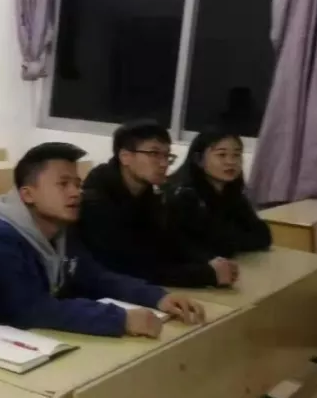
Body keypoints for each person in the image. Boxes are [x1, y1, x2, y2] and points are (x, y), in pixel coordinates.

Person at [0, 143, 205, 339]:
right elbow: (31, 309)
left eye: (77, 183)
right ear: (28, 194)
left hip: (27, 344)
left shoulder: (61, 232)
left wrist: (157, 297)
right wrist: (120, 319)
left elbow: (96, 277)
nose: (76, 193)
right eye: (63, 184)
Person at [79, 120, 236, 289]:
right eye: (154, 154)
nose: (164, 164)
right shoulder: (96, 200)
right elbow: (129, 267)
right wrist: (206, 275)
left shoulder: (147, 192)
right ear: (125, 156)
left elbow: (168, 241)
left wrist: (210, 261)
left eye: (167, 156)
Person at [165, 127, 271, 258]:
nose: (231, 162)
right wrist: (235, 238)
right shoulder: (184, 195)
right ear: (198, 159)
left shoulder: (232, 193)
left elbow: (263, 236)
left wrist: (228, 240)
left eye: (236, 155)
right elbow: (209, 247)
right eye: (222, 155)